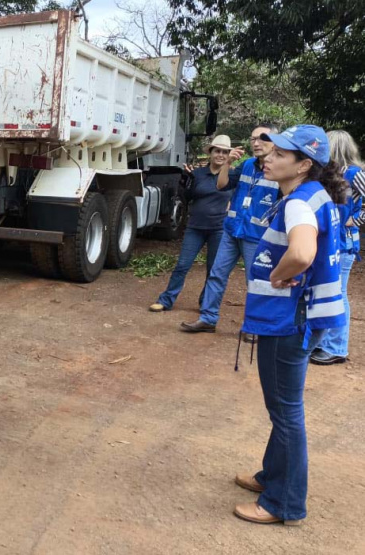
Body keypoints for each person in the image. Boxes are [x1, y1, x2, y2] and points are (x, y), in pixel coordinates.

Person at [232, 125, 346, 525]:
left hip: (288, 319)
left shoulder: (299, 202)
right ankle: (271, 477)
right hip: (303, 316)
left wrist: (280, 275)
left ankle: (284, 504)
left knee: (285, 411)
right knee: (283, 407)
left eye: (280, 154)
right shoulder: (316, 195)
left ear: (303, 165)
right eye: (271, 151)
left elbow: (301, 253)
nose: (268, 157)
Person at [181, 124, 280, 334]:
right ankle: (208, 318)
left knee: (254, 282)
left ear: (275, 142)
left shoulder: (280, 169)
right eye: (253, 138)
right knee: (217, 274)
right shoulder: (246, 166)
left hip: (257, 236)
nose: (256, 143)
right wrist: (227, 162)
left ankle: (254, 327)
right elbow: (221, 185)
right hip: (232, 230)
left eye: (263, 138)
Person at [149, 136, 238, 312]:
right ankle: (166, 300)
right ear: (211, 153)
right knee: (182, 265)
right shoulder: (197, 174)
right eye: (217, 151)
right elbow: (187, 198)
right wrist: (185, 181)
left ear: (229, 155)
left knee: (213, 269)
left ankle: (206, 302)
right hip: (195, 227)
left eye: (224, 152)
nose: (220, 155)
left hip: (219, 229)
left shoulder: (233, 176)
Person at [309, 130, 362, 365]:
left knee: (338, 293)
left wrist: (356, 220)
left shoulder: (355, 173)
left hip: (344, 243)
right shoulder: (330, 175)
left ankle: (336, 347)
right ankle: (321, 343)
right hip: (329, 242)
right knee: (324, 292)